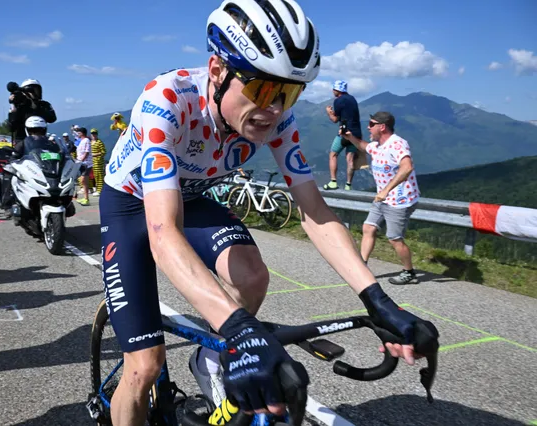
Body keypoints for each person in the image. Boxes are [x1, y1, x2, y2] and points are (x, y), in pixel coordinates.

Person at [99, 1, 437, 425]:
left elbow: (314, 210)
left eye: (290, 92)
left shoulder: (278, 120)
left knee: (253, 275)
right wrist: (241, 329)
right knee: (144, 366)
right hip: (132, 205)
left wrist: (378, 299)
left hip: (192, 196)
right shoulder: (168, 99)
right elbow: (163, 231)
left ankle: (209, 360)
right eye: (262, 89)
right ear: (218, 71)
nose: (275, 108)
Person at [342, 111, 421, 285]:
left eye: (371, 124)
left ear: (382, 127)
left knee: (394, 238)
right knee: (368, 228)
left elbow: (407, 167)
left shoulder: (397, 143)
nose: (368, 127)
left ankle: (409, 272)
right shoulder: (377, 145)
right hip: (382, 199)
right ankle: (361, 266)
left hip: (400, 200)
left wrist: (386, 190)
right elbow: (364, 147)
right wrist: (350, 137)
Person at [1, 116, 50, 217]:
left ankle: (67, 201)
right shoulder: (23, 143)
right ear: (28, 131)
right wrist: (12, 160)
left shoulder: (50, 143)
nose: (36, 133)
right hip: (29, 170)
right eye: (33, 130)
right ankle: (8, 205)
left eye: (39, 130)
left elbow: (60, 153)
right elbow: (14, 156)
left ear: (44, 130)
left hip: (45, 169)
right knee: (9, 175)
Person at [323, 80, 363, 191]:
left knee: (333, 154)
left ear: (337, 90)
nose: (333, 91)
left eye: (334, 89)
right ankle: (348, 185)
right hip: (356, 133)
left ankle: (333, 182)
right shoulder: (352, 99)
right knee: (350, 160)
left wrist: (329, 112)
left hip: (344, 133)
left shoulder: (338, 101)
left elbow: (335, 119)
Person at [8, 79, 57, 149]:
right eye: (32, 90)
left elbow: (52, 118)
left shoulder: (44, 105)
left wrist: (36, 107)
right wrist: (14, 107)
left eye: (37, 90)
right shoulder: (20, 107)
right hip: (23, 142)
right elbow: (11, 127)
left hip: (41, 141)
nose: (35, 93)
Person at [75, 127, 92, 206]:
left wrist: (82, 160)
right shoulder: (81, 141)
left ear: (82, 133)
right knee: (83, 181)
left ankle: (86, 199)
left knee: (83, 180)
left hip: (86, 164)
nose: (77, 134)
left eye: (79, 133)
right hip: (81, 163)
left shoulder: (86, 140)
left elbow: (87, 152)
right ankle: (86, 198)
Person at [90, 128, 106, 196]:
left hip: (98, 162)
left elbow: (104, 151)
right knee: (96, 176)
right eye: (92, 134)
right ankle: (98, 189)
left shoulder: (99, 142)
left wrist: (95, 154)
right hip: (93, 162)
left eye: (95, 133)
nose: (94, 135)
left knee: (100, 176)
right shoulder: (91, 142)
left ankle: (100, 190)